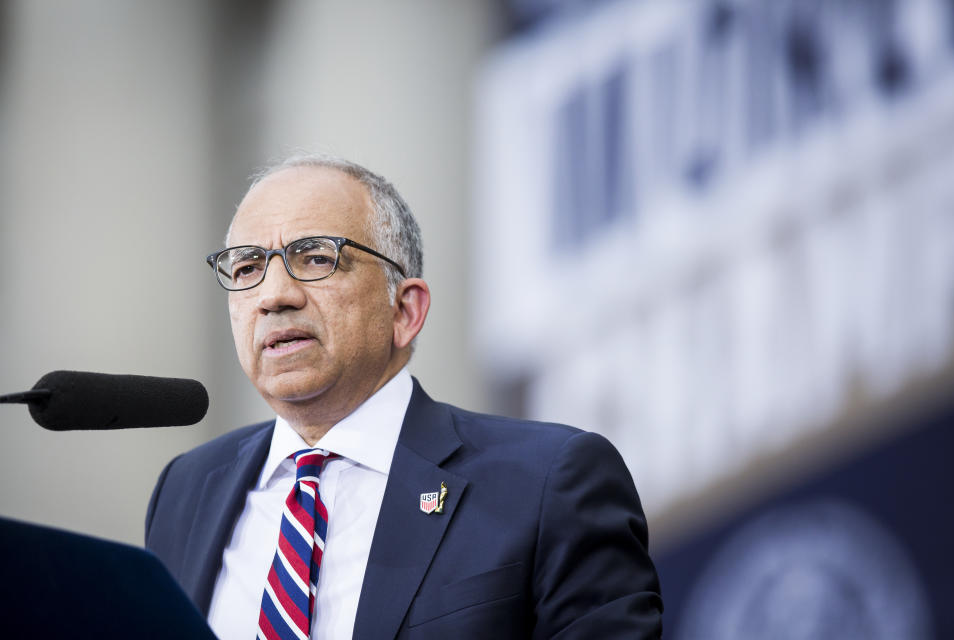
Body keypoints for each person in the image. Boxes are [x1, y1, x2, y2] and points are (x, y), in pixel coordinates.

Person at [145, 153, 663, 639]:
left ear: (404, 311)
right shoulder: (187, 489)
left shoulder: (549, 483)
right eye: (247, 268)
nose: (274, 296)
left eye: (316, 258)